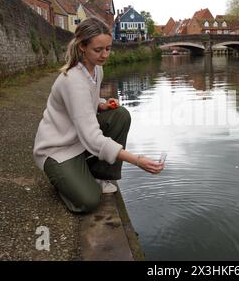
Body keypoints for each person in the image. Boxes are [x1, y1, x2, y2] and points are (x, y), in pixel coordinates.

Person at [33, 17, 164, 213]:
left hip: (79, 141)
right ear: (82, 47)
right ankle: (63, 181)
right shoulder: (73, 81)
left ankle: (101, 175)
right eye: (98, 50)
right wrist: (137, 160)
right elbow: (92, 138)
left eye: (108, 49)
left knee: (120, 114)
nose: (105, 55)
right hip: (57, 149)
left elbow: (87, 103)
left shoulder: (97, 70)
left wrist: (101, 104)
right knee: (90, 201)